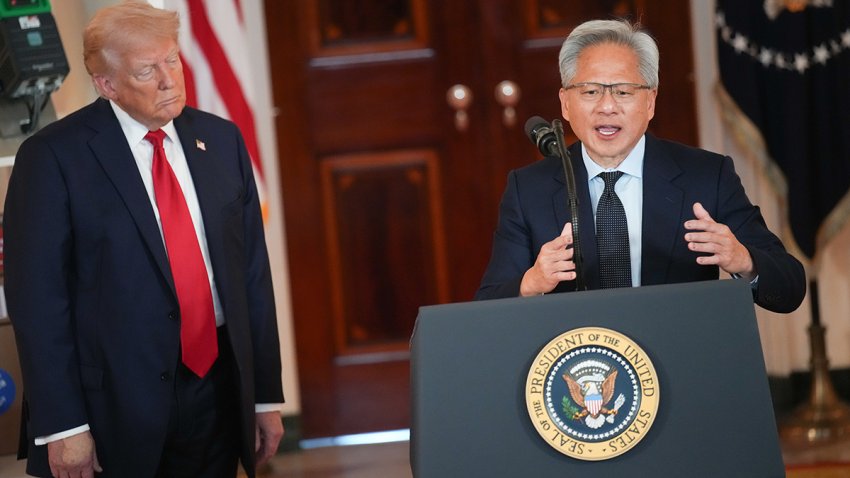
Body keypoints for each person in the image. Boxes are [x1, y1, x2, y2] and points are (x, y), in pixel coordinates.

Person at [4, 2, 284, 477]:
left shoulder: (221, 140)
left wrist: (264, 396)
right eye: (146, 70)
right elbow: (39, 303)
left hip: (218, 388)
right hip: (113, 406)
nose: (169, 79)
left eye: (172, 59)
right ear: (107, 84)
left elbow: (252, 276)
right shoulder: (52, 158)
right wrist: (64, 425)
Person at [475, 19, 805, 314]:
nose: (607, 107)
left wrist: (742, 260)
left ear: (650, 101)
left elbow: (790, 287)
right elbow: (486, 307)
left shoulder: (706, 176)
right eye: (590, 91)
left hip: (674, 354)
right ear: (565, 103)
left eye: (623, 91)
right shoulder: (529, 189)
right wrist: (531, 283)